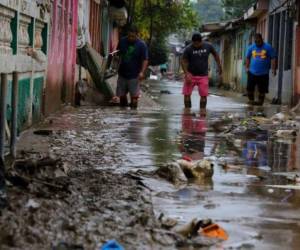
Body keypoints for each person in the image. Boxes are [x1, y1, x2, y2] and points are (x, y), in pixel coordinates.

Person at [181, 32, 222, 115]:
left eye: (197, 43)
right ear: (192, 42)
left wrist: (219, 66)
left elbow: (215, 55)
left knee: (203, 96)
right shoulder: (188, 48)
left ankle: (202, 112)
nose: (195, 45)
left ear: (201, 41)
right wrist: (186, 73)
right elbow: (183, 61)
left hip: (203, 75)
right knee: (187, 94)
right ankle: (187, 112)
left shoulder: (208, 46)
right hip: (191, 75)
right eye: (194, 43)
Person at [117, 26, 149, 108]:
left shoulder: (141, 45)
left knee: (134, 99)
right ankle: (123, 116)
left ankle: (133, 117)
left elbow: (145, 60)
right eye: (129, 36)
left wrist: (142, 72)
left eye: (133, 36)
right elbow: (117, 55)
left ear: (137, 35)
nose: (131, 38)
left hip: (134, 75)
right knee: (122, 97)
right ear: (127, 34)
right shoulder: (122, 41)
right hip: (122, 73)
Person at [245, 33, 277, 106]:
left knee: (262, 90)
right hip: (252, 72)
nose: (257, 43)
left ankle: (260, 103)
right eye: (256, 41)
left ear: (262, 39)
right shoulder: (251, 48)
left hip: (264, 73)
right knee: (249, 89)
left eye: (259, 41)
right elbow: (247, 58)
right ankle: (251, 101)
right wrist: (247, 68)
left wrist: (273, 69)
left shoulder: (268, 47)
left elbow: (273, 58)